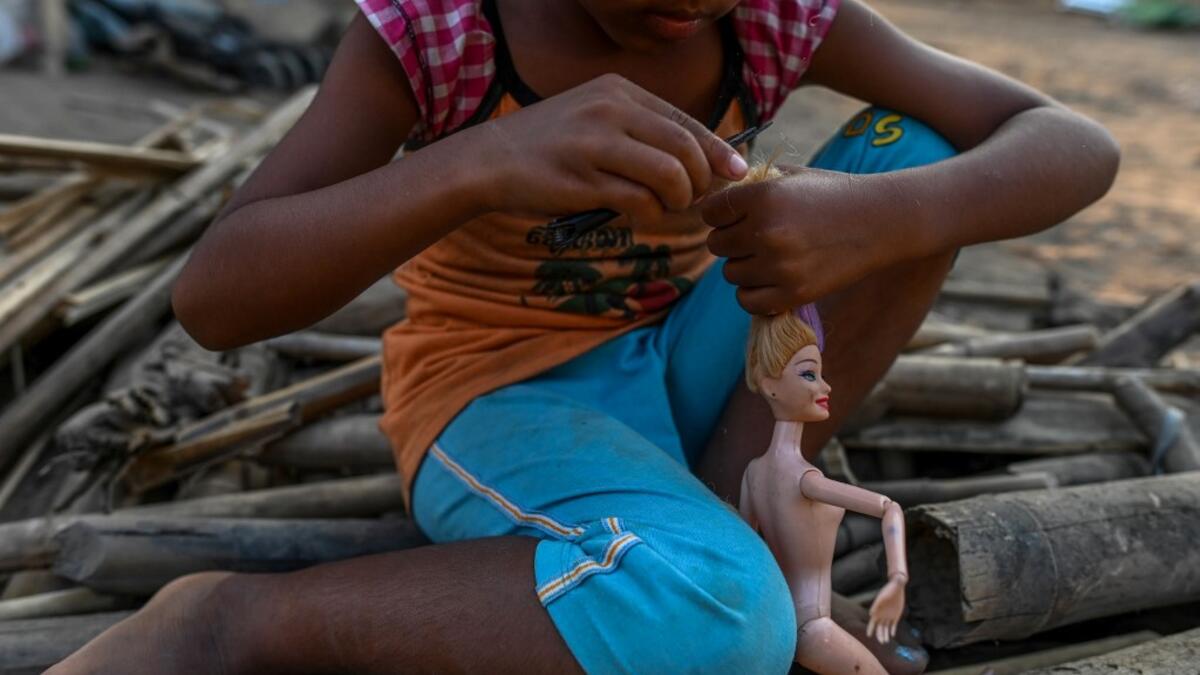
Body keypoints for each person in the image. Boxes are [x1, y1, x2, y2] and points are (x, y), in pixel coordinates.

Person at [48, 0, 1119, 673]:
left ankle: (737, 496)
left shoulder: (774, 18)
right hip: (504, 398)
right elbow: (216, 297)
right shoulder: (438, 34)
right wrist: (476, 161)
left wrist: (887, 213)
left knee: (924, 149)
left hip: (696, 368)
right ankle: (230, 628)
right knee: (716, 620)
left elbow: (1070, 144)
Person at [740, 311, 909, 674]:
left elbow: (745, 551)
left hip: (776, 624)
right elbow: (889, 508)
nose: (825, 387)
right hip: (814, 628)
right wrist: (897, 579)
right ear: (770, 385)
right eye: (808, 375)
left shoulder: (754, 473)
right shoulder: (807, 480)